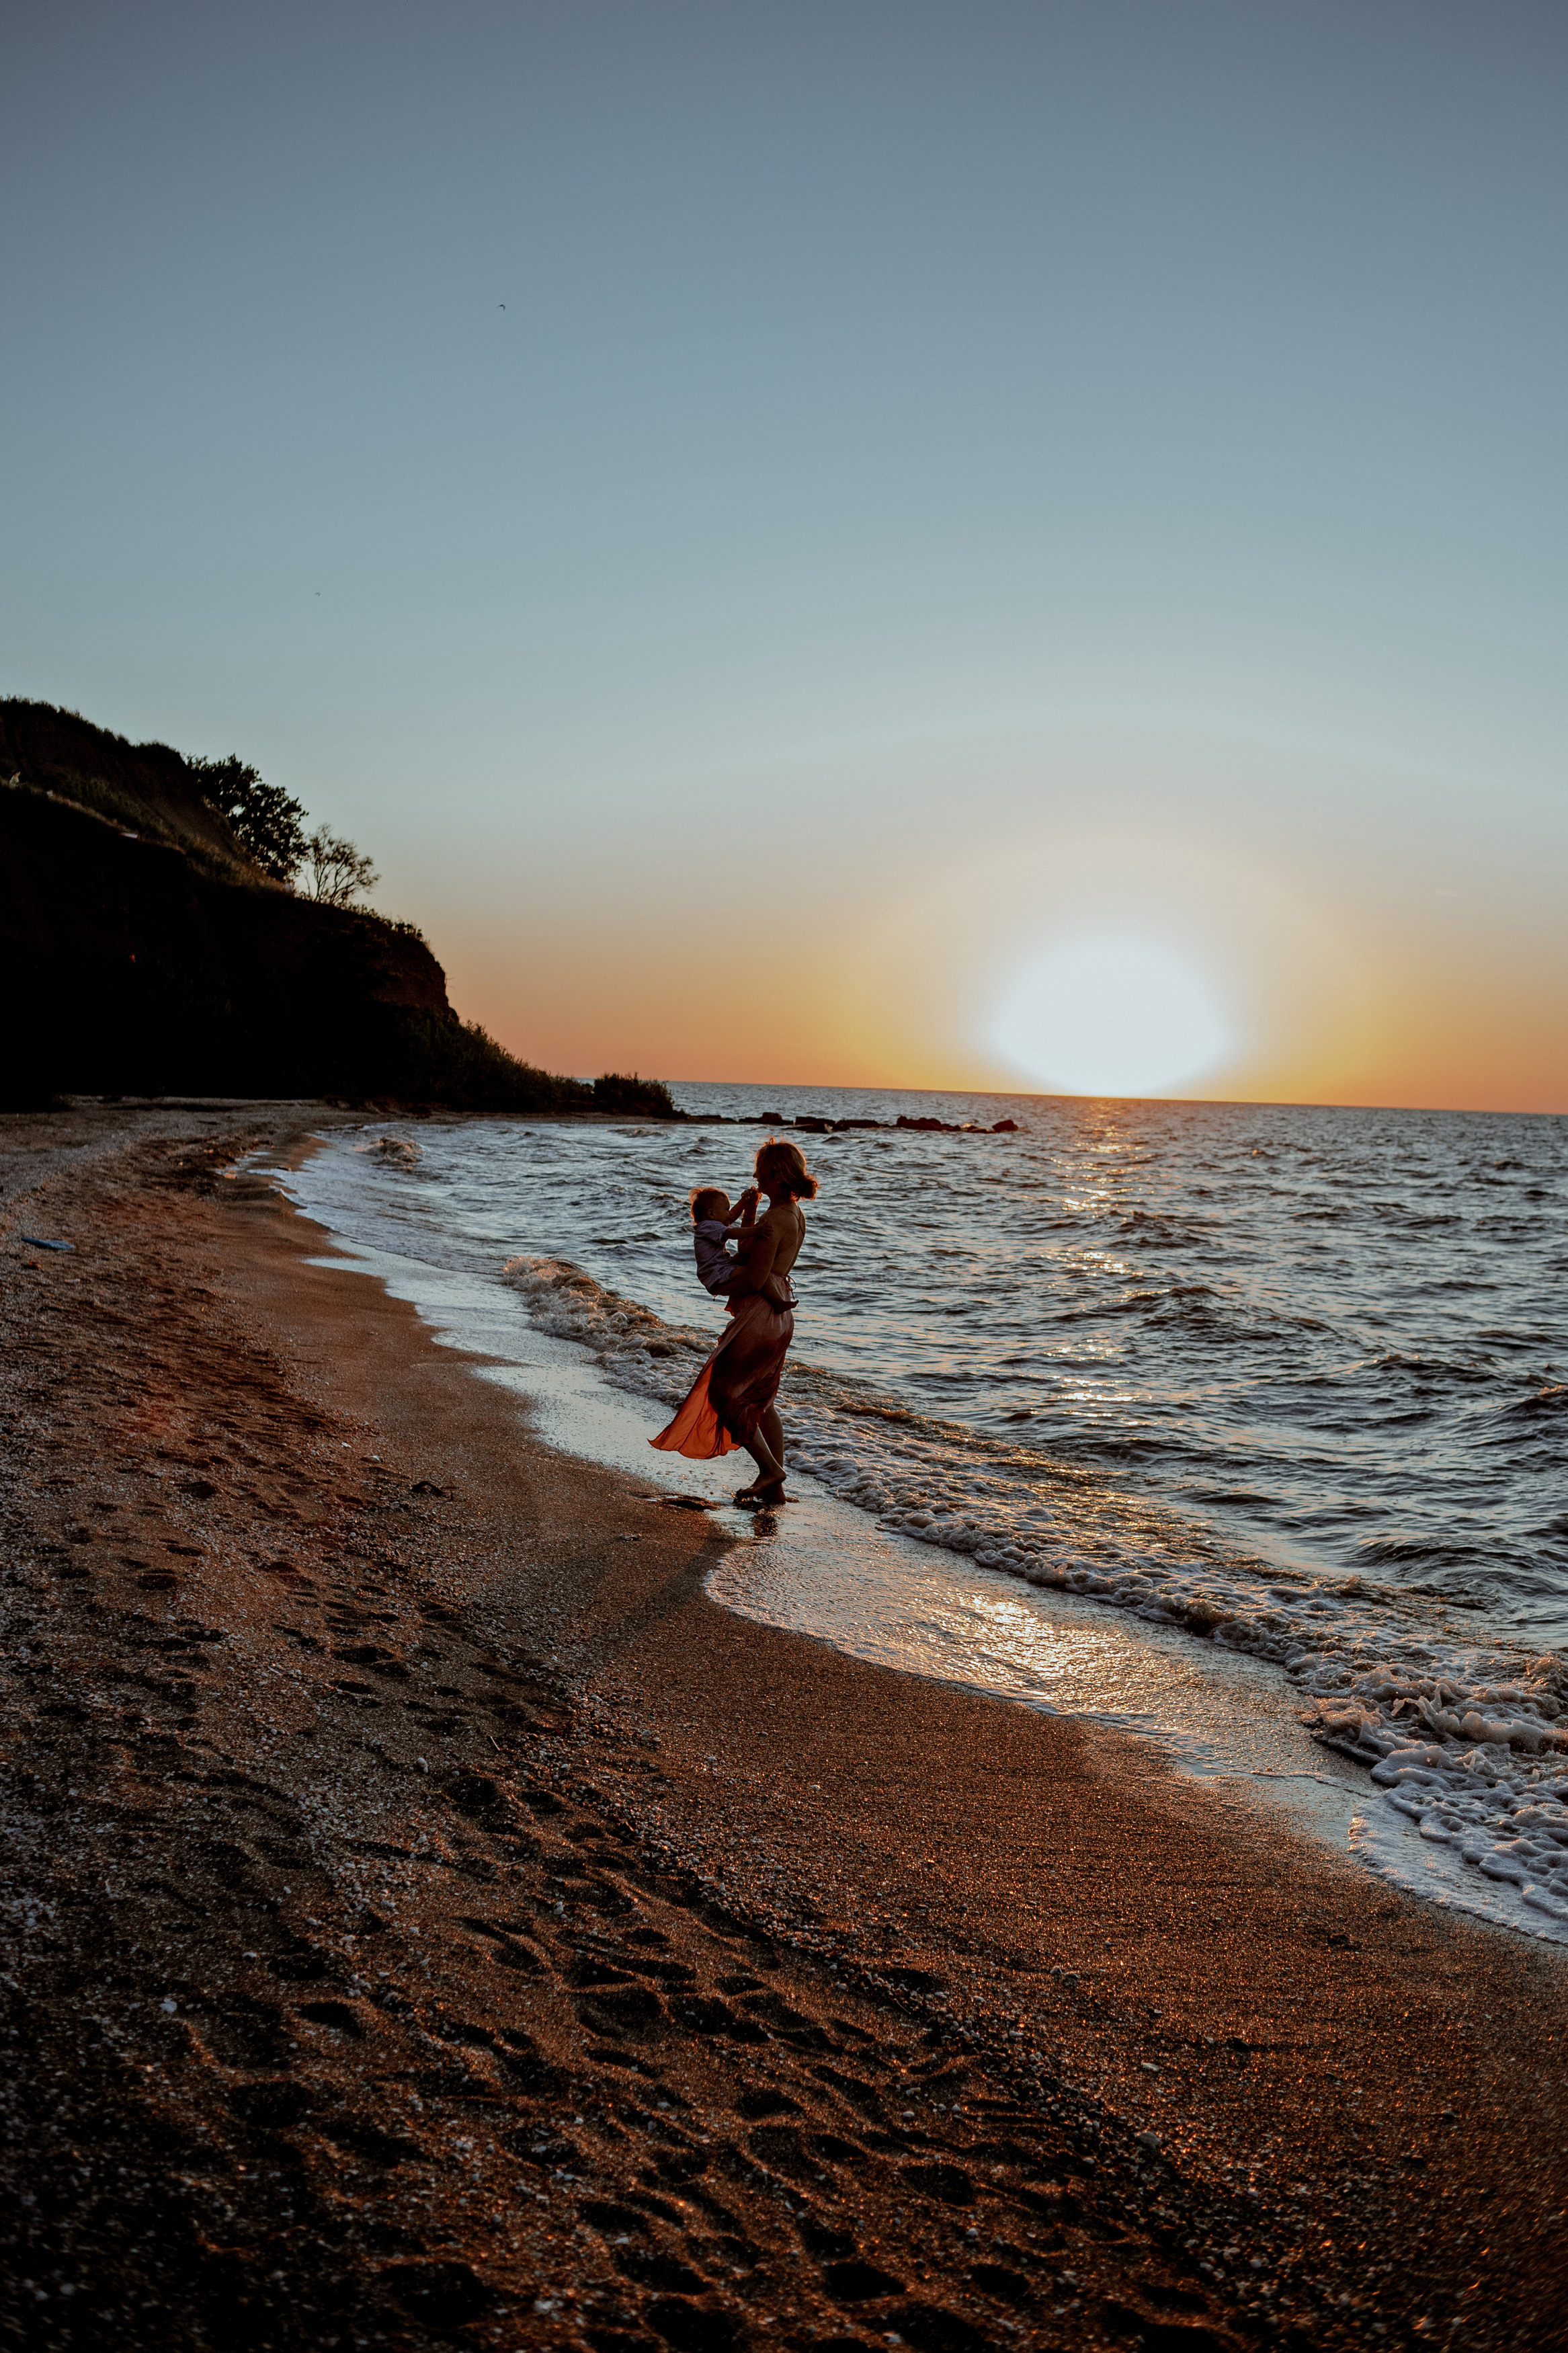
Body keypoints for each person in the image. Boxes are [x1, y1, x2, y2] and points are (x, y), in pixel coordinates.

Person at [652, 1138, 817, 1508]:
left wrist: (717, 1284)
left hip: (760, 1314)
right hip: (778, 1315)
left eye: (759, 1171)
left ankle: (770, 1471)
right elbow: (748, 1251)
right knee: (760, 1399)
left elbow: (756, 1278)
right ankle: (773, 1487)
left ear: (774, 1174)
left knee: (724, 1394)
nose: (755, 1176)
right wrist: (749, 1212)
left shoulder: (777, 1219)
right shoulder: (790, 1213)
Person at [688, 1185, 759, 1297]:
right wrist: (756, 1230)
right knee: (753, 1272)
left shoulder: (709, 1225)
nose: (730, 1213)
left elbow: (730, 1218)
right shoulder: (709, 1226)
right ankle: (777, 1300)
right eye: (727, 1209)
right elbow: (732, 1233)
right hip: (716, 1272)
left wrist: (744, 1201)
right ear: (711, 1214)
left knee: (741, 1257)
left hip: (719, 1267)